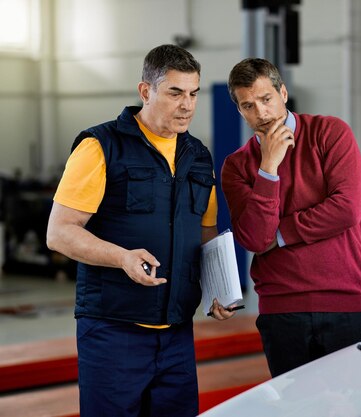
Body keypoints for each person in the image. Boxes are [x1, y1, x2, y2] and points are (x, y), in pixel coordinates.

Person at [46, 44, 236, 417]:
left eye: (194, 93)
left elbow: (206, 229)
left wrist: (219, 289)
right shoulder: (100, 146)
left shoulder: (198, 155)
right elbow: (60, 232)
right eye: (175, 92)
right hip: (114, 331)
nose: (188, 105)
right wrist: (122, 258)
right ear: (146, 91)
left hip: (177, 332)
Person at [222, 58, 361, 377]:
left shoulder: (330, 132)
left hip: (345, 303)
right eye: (248, 105)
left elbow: (346, 209)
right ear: (239, 110)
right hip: (282, 311)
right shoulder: (237, 166)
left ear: (283, 93)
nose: (261, 113)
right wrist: (268, 167)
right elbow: (253, 239)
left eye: (266, 99)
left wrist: (279, 235)